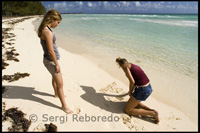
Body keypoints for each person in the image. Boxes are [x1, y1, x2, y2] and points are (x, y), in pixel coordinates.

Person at [38, 9, 73, 114]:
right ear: (52, 19)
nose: (58, 25)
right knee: (60, 84)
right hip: (51, 61)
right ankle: (64, 106)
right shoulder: (47, 31)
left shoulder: (44, 29)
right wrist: (57, 64)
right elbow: (50, 50)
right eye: (57, 22)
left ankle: (56, 94)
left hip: (48, 59)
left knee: (54, 78)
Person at [116, 57, 159, 123]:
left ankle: (153, 114)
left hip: (143, 90)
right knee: (134, 103)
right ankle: (152, 110)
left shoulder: (125, 68)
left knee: (127, 110)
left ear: (121, 66)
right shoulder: (131, 65)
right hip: (148, 87)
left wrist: (130, 92)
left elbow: (132, 81)